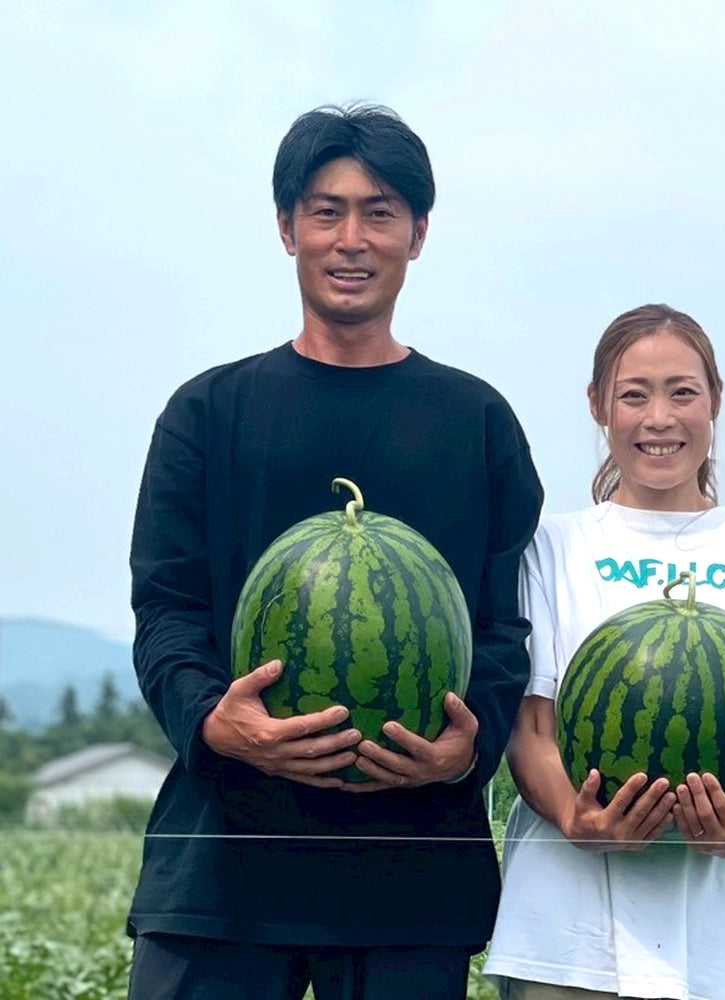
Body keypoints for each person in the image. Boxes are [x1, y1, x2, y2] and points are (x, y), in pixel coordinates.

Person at [126, 104, 543, 1000]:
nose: (352, 238)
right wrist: (211, 720)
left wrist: (469, 748)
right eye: (325, 210)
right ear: (287, 229)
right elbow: (165, 608)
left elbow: (507, 625)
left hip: (412, 883)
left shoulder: (476, 423)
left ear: (419, 234)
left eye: (381, 211)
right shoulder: (207, 412)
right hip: (220, 879)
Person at [483, 303, 725, 1000]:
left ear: (715, 401)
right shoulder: (552, 545)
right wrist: (575, 817)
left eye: (682, 392)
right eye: (633, 395)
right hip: (567, 944)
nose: (659, 418)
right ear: (598, 407)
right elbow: (532, 723)